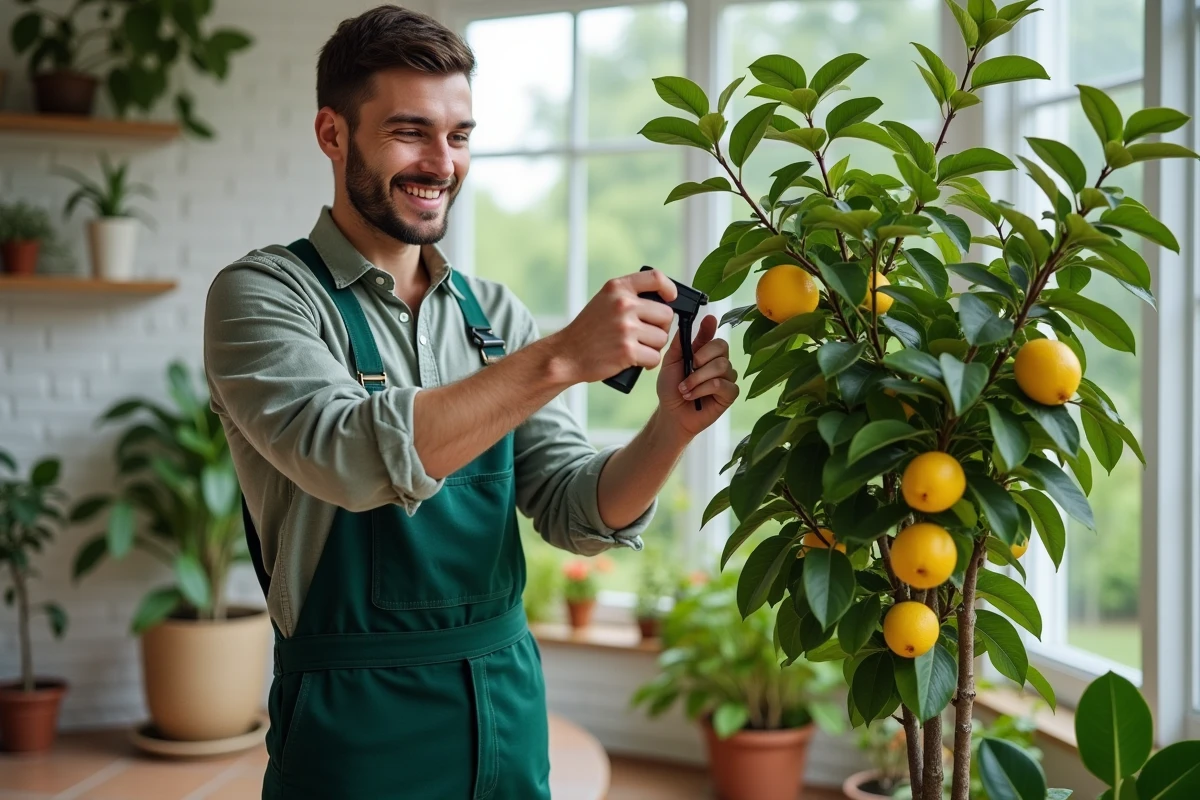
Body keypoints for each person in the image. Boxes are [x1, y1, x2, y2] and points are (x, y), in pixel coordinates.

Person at [202, 5, 739, 798]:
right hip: (354, 725)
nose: (441, 163)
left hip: (506, 710)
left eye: (459, 136)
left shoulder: (494, 318)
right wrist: (560, 357)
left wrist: (670, 428)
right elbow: (350, 456)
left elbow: (574, 509)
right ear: (332, 134)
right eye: (410, 132)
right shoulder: (264, 295)